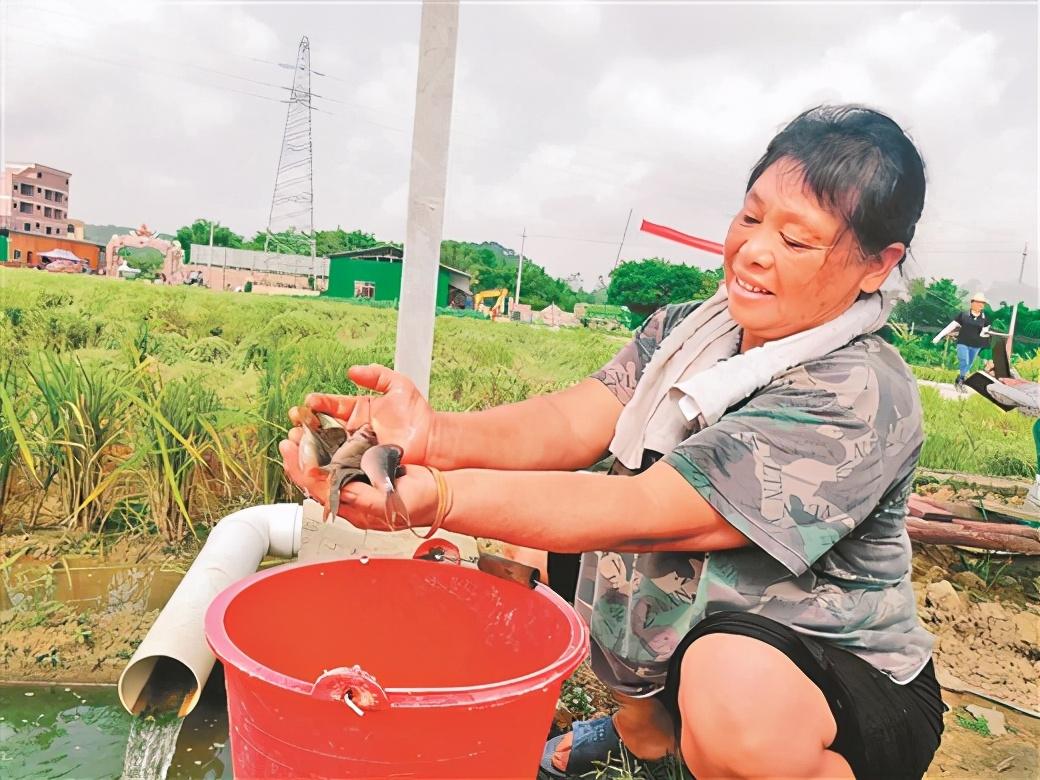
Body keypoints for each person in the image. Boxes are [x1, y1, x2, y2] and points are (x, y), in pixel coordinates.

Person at [281, 105, 944, 779]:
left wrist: (442, 496)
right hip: (704, 623)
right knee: (527, 537)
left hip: (825, 673)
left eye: (797, 241)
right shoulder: (688, 331)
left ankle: (724, 751)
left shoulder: (857, 389)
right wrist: (434, 436)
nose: (754, 250)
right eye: (750, 217)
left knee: (733, 690)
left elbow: (651, 511)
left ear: (876, 266)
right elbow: (572, 423)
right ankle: (647, 737)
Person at [934, 293, 991, 390]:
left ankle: (960, 379)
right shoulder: (963, 315)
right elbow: (951, 327)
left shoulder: (985, 318)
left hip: (976, 345)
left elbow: (985, 332)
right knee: (964, 360)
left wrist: (986, 334)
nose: (981, 305)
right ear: (972, 303)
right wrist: (938, 337)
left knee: (969, 364)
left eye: (982, 303)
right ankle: (962, 381)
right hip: (963, 342)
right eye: (978, 303)